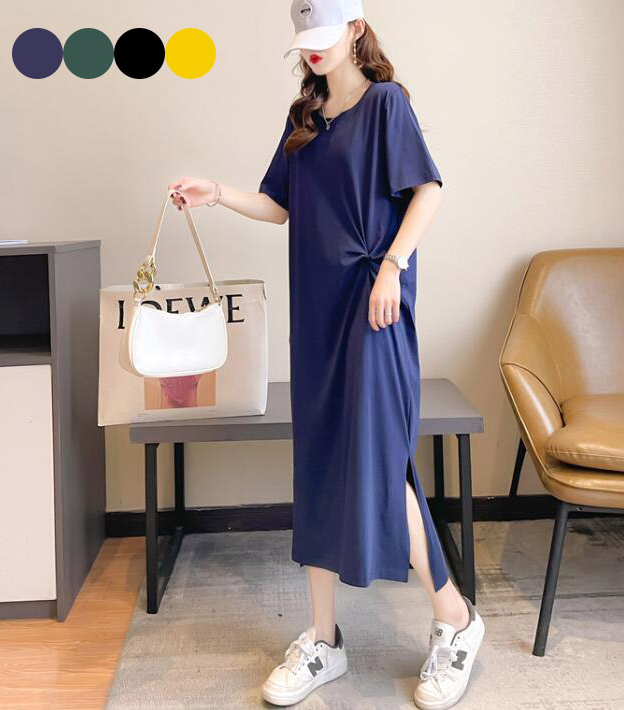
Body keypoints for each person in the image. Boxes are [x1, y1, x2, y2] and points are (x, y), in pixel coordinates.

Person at [167, 1, 484, 707]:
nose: (313, 50)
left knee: (379, 464)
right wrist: (217, 194)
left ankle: (457, 620)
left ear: (356, 30)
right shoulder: (304, 115)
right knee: (316, 463)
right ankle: (323, 639)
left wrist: (392, 266)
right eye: (304, 39)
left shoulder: (387, 104)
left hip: (373, 309)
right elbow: (281, 205)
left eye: (325, 35)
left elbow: (428, 191)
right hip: (316, 311)